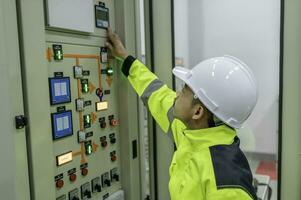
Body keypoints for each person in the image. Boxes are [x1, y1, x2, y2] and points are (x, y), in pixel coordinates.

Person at [106, 28, 258, 200]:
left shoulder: (226, 184)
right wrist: (126, 60)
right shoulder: (193, 134)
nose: (176, 94)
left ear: (198, 111)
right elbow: (157, 94)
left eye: (184, 90)